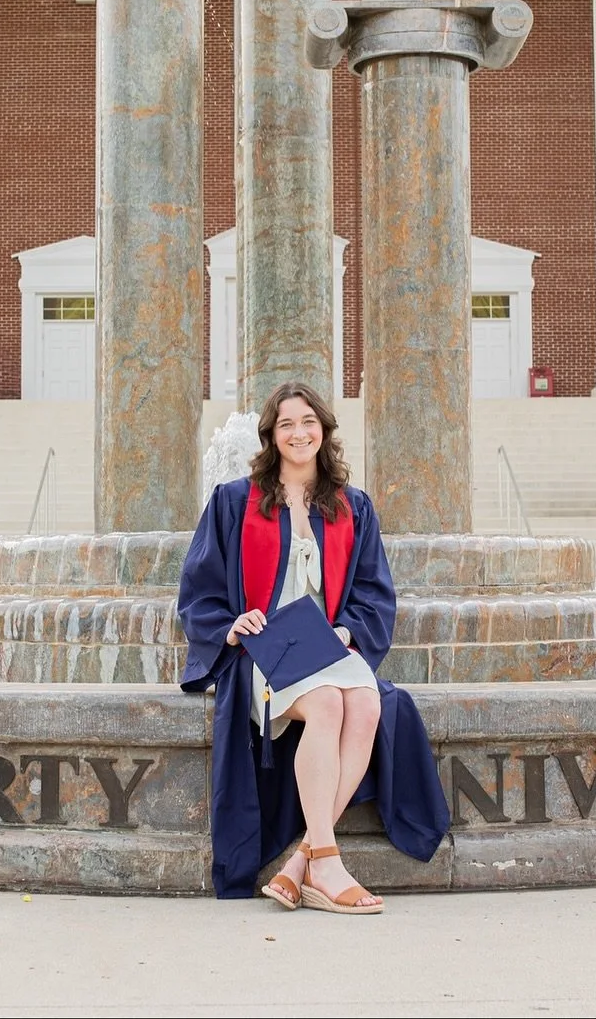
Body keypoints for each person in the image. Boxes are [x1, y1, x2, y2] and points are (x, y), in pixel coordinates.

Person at [177, 379, 450, 909]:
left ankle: (303, 860)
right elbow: (199, 587)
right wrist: (230, 626)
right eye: (286, 425)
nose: (298, 433)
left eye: (307, 422)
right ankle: (326, 863)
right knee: (327, 704)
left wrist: (347, 632)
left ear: (323, 430)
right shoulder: (235, 502)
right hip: (265, 648)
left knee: (368, 702)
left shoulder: (352, 508)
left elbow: (373, 593)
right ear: (270, 436)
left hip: (325, 645)